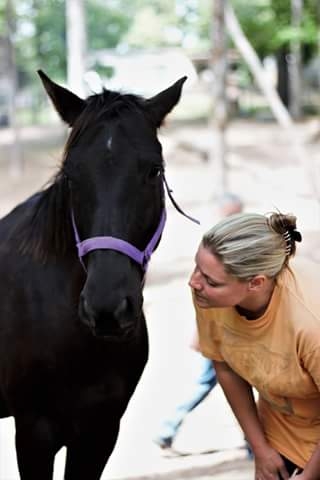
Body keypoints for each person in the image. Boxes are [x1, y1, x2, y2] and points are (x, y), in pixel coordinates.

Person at [189, 210, 320, 479]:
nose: (194, 282)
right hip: (281, 434)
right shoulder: (209, 296)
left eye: (211, 281)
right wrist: (260, 449)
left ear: (256, 283)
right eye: (197, 268)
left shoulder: (310, 323)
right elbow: (224, 364)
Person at [153, 193, 252, 458]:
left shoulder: (229, 245)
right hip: (223, 333)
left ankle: (167, 429)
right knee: (235, 385)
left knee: (235, 384)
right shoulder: (218, 248)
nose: (236, 218)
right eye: (232, 213)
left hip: (230, 331)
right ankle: (253, 444)